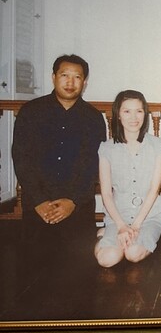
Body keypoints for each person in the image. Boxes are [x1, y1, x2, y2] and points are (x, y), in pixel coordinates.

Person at [12, 54, 106, 252]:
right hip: (38, 206)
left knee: (79, 264)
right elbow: (21, 159)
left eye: (77, 77)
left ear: (85, 82)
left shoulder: (93, 118)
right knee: (34, 263)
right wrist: (39, 200)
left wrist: (72, 201)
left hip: (77, 205)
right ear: (53, 77)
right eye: (64, 75)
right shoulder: (31, 112)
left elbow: (92, 164)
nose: (70, 82)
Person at [95, 90, 161, 268]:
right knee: (107, 259)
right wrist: (121, 226)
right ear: (118, 115)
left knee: (133, 254)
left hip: (148, 216)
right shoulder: (107, 148)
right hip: (118, 216)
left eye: (139, 111)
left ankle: (146, 236)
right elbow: (106, 194)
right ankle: (104, 234)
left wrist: (136, 225)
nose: (134, 117)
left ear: (145, 114)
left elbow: (154, 190)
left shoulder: (158, 146)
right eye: (127, 111)